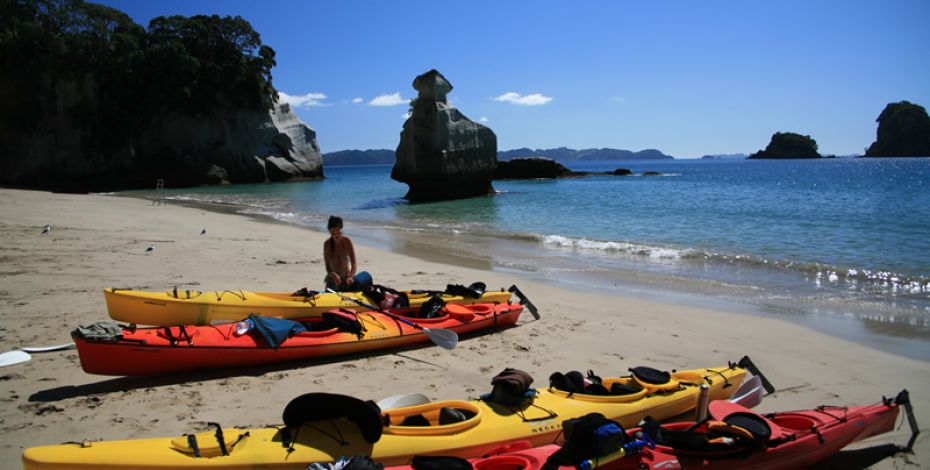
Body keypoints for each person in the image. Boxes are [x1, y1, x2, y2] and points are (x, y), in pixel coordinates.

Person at [323, 215, 358, 291]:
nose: (336, 235)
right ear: (329, 231)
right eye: (333, 233)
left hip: (347, 279)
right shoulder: (327, 244)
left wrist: (350, 276)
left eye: (337, 231)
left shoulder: (347, 241)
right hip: (333, 280)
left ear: (341, 230)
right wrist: (333, 275)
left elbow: (354, 263)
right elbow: (328, 267)